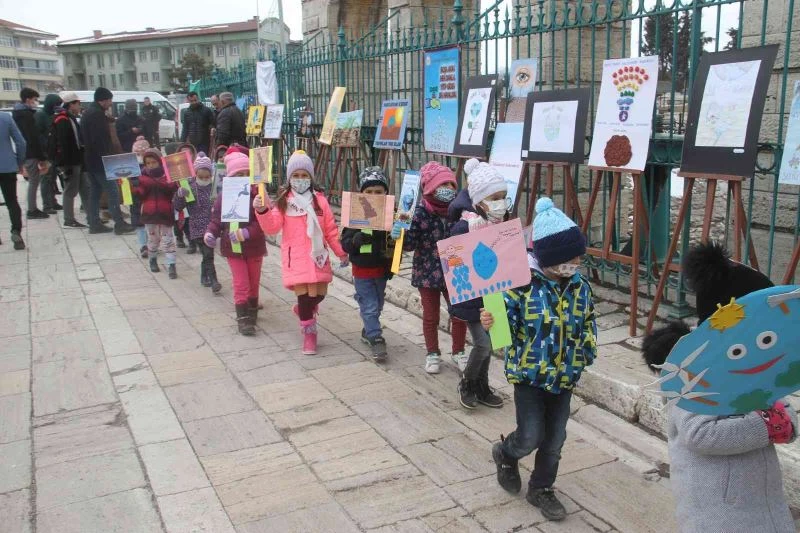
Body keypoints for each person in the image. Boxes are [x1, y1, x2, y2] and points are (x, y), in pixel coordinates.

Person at [641, 242, 797, 533]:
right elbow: (699, 433)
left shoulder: (760, 365)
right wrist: (766, 425)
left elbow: (782, 408)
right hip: (719, 511)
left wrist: (784, 422)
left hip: (765, 502)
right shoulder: (692, 371)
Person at [485, 197, 595, 522]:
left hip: (564, 378)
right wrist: (493, 321)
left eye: (578, 256)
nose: (574, 262)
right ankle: (506, 453)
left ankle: (541, 488)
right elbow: (504, 331)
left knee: (555, 439)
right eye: (568, 257)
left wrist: (585, 352)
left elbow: (587, 322)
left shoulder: (581, 287)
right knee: (531, 434)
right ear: (548, 257)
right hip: (529, 376)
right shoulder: (521, 286)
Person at [253, 150, 348, 354]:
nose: (300, 179)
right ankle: (309, 334)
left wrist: (340, 252)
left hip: (318, 257)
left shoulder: (320, 201)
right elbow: (272, 227)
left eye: (304, 175)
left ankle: (303, 311)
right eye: (296, 175)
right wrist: (262, 211)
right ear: (289, 178)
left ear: (311, 178)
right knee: (305, 298)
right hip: (295, 259)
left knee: (320, 294)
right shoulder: (284, 201)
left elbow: (330, 231)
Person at [393, 161, 467, 374]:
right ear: (429, 188)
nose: (449, 190)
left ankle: (459, 351)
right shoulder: (419, 214)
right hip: (427, 274)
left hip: (455, 272)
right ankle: (432, 353)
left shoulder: (460, 212)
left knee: (459, 314)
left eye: (451, 185)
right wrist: (400, 233)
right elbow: (409, 245)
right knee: (430, 316)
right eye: (442, 185)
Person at [447, 159, 509, 410]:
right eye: (495, 197)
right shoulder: (464, 225)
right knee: (482, 344)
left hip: (495, 293)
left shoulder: (499, 222)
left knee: (493, 343)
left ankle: (482, 387)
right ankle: (467, 382)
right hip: (473, 296)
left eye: (503, 197)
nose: (501, 203)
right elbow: (453, 256)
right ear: (480, 200)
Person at [205, 151, 266, 336]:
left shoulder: (258, 195)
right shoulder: (224, 198)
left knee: (253, 281)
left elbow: (262, 222)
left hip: (254, 247)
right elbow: (217, 220)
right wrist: (210, 233)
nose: (242, 178)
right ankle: (242, 318)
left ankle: (252, 309)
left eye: (246, 174)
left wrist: (247, 232)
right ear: (230, 177)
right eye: (238, 175)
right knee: (241, 282)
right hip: (232, 247)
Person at [341, 167, 396, 361]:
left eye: (379, 192)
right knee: (370, 305)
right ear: (361, 194)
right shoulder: (354, 216)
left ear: (386, 194)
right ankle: (376, 337)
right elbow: (345, 243)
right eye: (369, 192)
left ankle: (368, 329)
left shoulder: (391, 215)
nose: (374, 196)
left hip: (381, 270)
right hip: (362, 270)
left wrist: (397, 235)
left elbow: (396, 243)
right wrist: (355, 239)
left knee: (378, 303)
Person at [81, 87, 135, 235]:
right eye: (109, 100)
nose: (111, 103)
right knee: (112, 191)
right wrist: (109, 158)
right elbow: (100, 140)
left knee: (95, 192)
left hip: (90, 160)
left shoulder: (88, 113)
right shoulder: (96, 115)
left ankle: (94, 223)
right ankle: (119, 223)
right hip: (100, 161)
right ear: (102, 100)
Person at [174, 152, 221, 293]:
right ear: (195, 174)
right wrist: (180, 195)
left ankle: (204, 275)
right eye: (201, 177)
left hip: (212, 225)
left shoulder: (214, 186)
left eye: (207, 177)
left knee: (207, 253)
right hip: (197, 226)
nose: (205, 179)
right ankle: (214, 280)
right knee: (208, 253)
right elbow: (177, 207)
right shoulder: (189, 187)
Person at [133, 148, 179, 279]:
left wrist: (176, 183)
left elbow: (173, 190)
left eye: (154, 162)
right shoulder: (142, 178)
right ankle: (152, 259)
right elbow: (139, 195)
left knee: (169, 239)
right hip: (150, 214)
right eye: (148, 163)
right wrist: (134, 186)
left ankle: (171, 264)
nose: (151, 165)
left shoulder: (169, 176)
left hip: (165, 213)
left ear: (160, 162)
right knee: (153, 239)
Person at [50, 92, 89, 228]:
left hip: (78, 159)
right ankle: (69, 219)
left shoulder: (70, 118)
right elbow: (64, 143)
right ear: (71, 104)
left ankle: (92, 216)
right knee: (70, 190)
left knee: (85, 188)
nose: (79, 106)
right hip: (70, 161)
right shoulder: (62, 120)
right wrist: (67, 165)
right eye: (78, 103)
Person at [12, 87, 50, 219]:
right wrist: (41, 156)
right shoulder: (26, 116)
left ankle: (32, 208)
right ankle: (32, 209)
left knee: (33, 181)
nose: (35, 102)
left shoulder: (18, 114)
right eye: (34, 100)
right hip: (31, 152)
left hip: (26, 152)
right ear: (27, 99)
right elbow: (32, 137)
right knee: (34, 181)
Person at [0, 108, 26, 249]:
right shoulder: (5, 118)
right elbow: (21, 142)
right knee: (12, 201)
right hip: (7, 166)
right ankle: (16, 232)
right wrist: (19, 162)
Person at [34, 93, 62, 211]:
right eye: (56, 105)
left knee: (53, 179)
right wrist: (43, 151)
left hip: (54, 152)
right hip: (45, 153)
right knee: (46, 179)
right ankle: (47, 205)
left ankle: (53, 201)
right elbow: (38, 135)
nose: (57, 107)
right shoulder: (40, 116)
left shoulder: (52, 115)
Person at [132, 136, 151, 257]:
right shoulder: (130, 166)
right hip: (136, 199)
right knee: (139, 222)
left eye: (142, 153)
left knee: (152, 222)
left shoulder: (151, 164)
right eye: (137, 153)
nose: (140, 155)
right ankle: (143, 245)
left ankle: (152, 243)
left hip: (150, 199)